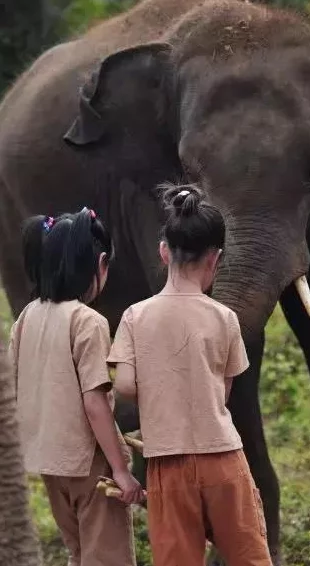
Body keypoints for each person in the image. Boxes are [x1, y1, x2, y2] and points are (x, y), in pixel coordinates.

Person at [108, 184, 273, 566]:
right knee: (250, 556)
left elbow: (127, 385)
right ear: (216, 258)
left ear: (163, 252)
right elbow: (224, 391)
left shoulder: (135, 316)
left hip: (167, 463)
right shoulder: (224, 317)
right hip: (223, 459)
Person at [9, 207, 144, 566]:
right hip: (89, 465)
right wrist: (119, 469)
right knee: (106, 558)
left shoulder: (26, 317)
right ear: (100, 264)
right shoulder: (88, 321)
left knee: (79, 553)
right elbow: (94, 402)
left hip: (50, 463)